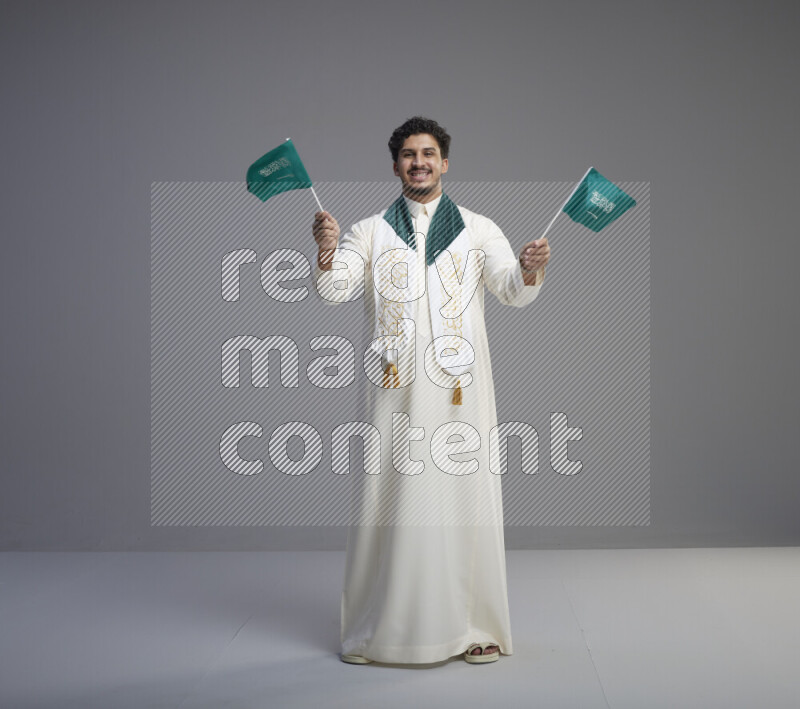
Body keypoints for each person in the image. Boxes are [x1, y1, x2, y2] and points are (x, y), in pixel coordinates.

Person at [311, 117, 550, 665]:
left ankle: (475, 627)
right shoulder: (369, 231)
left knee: (465, 500)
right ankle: (379, 630)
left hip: (461, 393)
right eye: (408, 154)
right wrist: (326, 250)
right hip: (393, 392)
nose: (419, 162)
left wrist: (533, 268)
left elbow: (512, 290)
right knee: (389, 502)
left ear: (445, 163)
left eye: (429, 153)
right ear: (395, 165)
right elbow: (335, 289)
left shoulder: (478, 228)